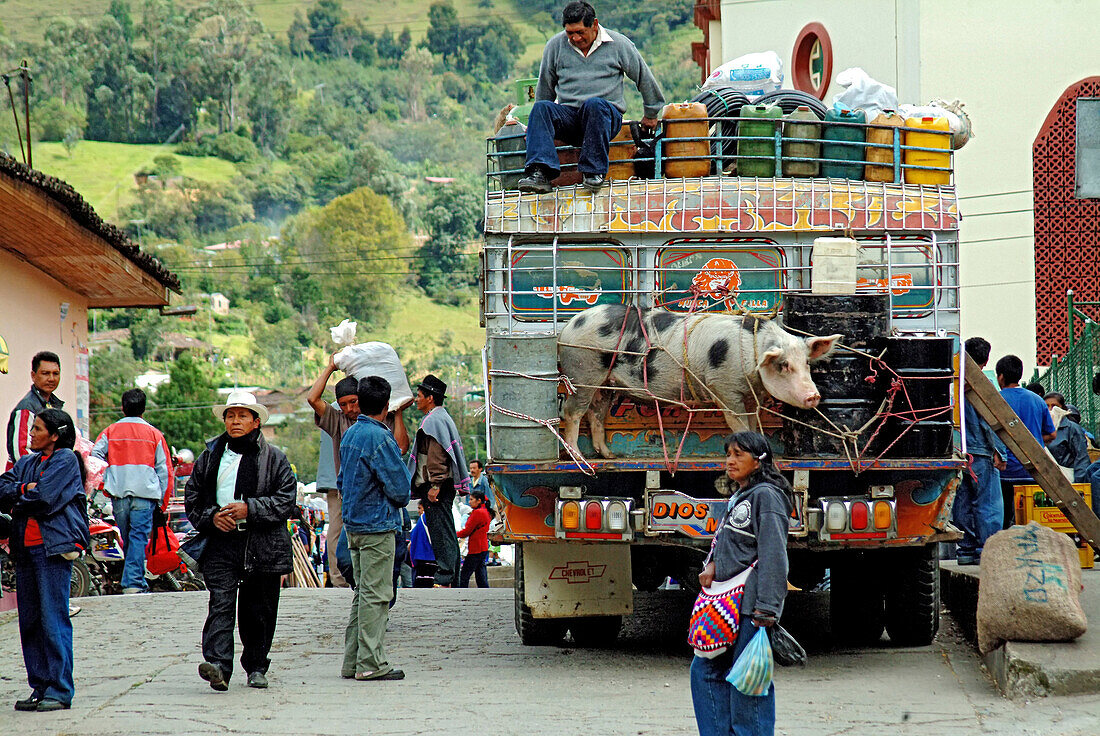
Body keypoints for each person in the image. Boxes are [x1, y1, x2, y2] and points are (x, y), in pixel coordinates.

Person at [184, 391, 296, 691]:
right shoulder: (210, 456)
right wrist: (210, 518)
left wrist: (250, 509)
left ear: (256, 421)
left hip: (262, 544)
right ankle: (219, 666)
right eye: (230, 416)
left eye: (242, 416)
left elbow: (285, 501)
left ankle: (257, 665)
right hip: (221, 542)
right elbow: (192, 497)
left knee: (258, 609)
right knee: (220, 604)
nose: (235, 421)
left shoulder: (275, 459)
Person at [691, 432, 791, 736]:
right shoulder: (743, 494)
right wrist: (712, 564)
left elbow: (774, 554)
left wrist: (767, 608)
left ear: (758, 461)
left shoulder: (767, 496)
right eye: (728, 455)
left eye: (738, 455)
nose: (730, 461)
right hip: (726, 605)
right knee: (707, 670)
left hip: (751, 607)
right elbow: (730, 541)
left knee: (749, 682)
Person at [517, 1, 664, 194]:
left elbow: (644, 77)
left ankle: (593, 172)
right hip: (570, 116)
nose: (575, 38)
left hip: (604, 115)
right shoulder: (555, 46)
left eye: (580, 32)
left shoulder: (618, 44)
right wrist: (537, 124)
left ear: (594, 25)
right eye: (570, 33)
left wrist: (651, 113)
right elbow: (545, 89)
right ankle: (540, 173)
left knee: (594, 105)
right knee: (541, 107)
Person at [0, 408, 90, 712]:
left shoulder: (65, 460)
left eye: (37, 429)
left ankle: (60, 690)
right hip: (25, 550)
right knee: (30, 621)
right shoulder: (26, 463)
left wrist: (21, 495)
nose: (31, 434)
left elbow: (46, 497)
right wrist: (25, 488)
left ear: (54, 435)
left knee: (53, 619)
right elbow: (2, 489)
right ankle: (39, 686)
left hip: (52, 549)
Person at [307, 354, 410, 589]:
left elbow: (402, 447)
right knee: (343, 552)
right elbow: (313, 398)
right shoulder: (338, 420)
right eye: (343, 404)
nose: (349, 409)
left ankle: (379, 596)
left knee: (387, 556)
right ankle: (351, 586)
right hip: (351, 499)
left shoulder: (384, 421)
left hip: (380, 503)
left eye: (353, 402)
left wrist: (399, 412)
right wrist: (331, 367)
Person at [338, 376, 411, 681]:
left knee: (362, 594)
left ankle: (352, 661)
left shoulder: (351, 435)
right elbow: (401, 489)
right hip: (376, 527)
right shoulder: (380, 439)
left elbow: (342, 482)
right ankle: (371, 663)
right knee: (377, 596)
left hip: (353, 525)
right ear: (386, 406)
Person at [90, 388, 174, 594]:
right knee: (137, 538)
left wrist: (106, 481)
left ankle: (131, 579)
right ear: (144, 409)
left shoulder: (110, 432)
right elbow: (165, 470)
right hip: (145, 496)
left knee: (128, 539)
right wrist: (162, 502)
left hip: (118, 495)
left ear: (122, 407)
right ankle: (133, 583)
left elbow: (94, 458)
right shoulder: (154, 434)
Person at [408, 374, 470, 587]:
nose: (417, 399)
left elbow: (436, 457)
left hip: (437, 486)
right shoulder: (442, 417)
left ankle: (444, 576)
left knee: (440, 532)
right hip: (442, 485)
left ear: (430, 398)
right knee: (447, 530)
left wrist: (435, 485)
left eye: (419, 396)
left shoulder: (433, 421)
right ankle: (452, 577)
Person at [953, 338, 1007, 565]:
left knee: (962, 503)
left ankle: (965, 551)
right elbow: (992, 422)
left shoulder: (952, 381)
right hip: (981, 453)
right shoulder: (982, 385)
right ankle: (986, 550)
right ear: (985, 361)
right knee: (988, 504)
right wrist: (1000, 452)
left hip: (957, 453)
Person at [997, 355, 1056, 529]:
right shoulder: (1037, 400)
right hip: (1032, 471)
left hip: (1004, 472)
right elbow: (1051, 434)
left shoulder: (995, 400)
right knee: (1029, 519)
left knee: (1005, 519)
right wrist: (1034, 438)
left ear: (1001, 377)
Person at [6, 351, 63, 471]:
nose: (51, 379)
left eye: (55, 373)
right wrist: (43, 474)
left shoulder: (54, 405)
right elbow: (20, 452)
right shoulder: (26, 408)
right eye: (45, 373)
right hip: (25, 482)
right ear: (33, 375)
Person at [315, 428, 345, 586]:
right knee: (337, 528)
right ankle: (339, 577)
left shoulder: (332, 411)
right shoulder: (338, 411)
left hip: (333, 479)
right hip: (339, 479)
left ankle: (338, 576)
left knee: (336, 527)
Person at [1044, 393, 1091, 483]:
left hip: (1067, 479)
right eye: (1047, 407)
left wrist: (1079, 483)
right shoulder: (1040, 429)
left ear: (1062, 408)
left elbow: (1081, 458)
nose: (1051, 410)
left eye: (1054, 406)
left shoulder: (1072, 428)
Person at [457, 490, 495, 588]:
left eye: (471, 499)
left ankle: (461, 593)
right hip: (482, 547)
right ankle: (485, 593)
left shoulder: (477, 513)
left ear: (478, 500)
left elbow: (467, 531)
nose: (469, 502)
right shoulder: (485, 511)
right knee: (481, 575)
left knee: (465, 574)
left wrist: (454, 534)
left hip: (476, 548)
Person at [409, 500, 437, 588]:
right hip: (432, 557)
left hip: (422, 556)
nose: (418, 511)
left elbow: (414, 537)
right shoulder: (432, 518)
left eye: (420, 508)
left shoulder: (423, 519)